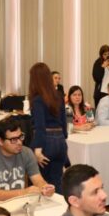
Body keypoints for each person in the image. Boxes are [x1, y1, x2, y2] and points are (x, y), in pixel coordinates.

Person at [0, 117, 56, 201]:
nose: (19, 142)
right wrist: (24, 192)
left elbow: (37, 179)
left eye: (20, 137)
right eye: (13, 139)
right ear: (0, 141)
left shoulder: (26, 152)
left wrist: (44, 187)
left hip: (21, 202)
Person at [28, 62, 68, 192]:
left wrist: (38, 150)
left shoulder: (37, 100)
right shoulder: (59, 96)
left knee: (42, 184)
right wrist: (63, 141)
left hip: (45, 142)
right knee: (57, 181)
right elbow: (64, 123)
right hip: (60, 140)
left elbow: (40, 126)